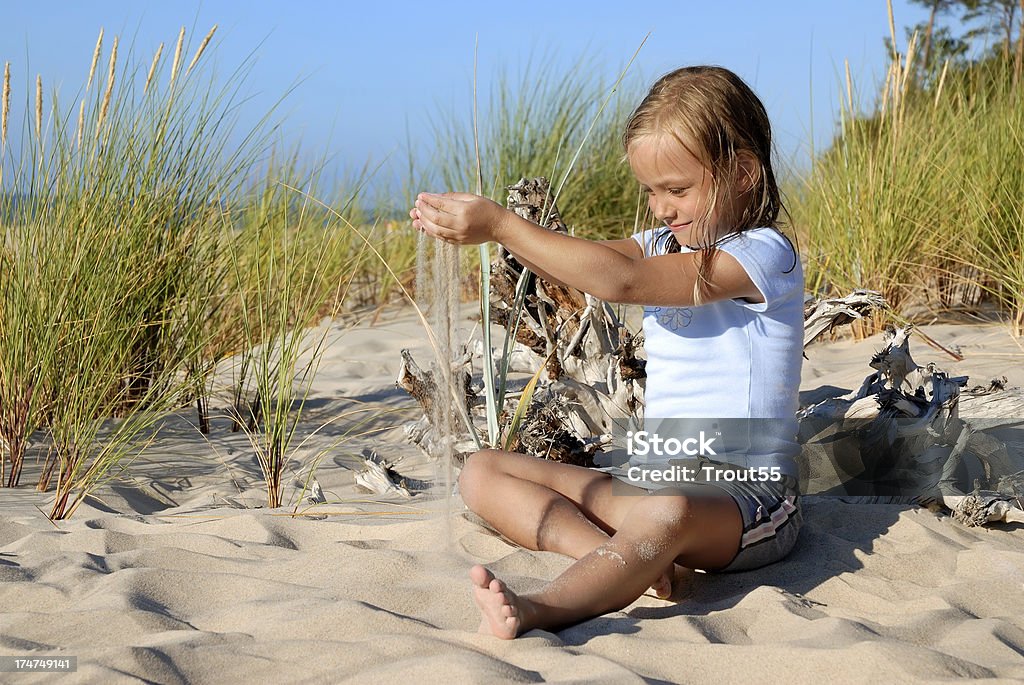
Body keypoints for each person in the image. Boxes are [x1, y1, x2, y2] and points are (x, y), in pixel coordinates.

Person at [410, 65, 803, 640]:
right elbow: (585, 264)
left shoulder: (762, 255)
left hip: (746, 497)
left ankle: (546, 607)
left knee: (666, 511)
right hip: (655, 477)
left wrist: (500, 222)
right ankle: (628, 561)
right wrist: (474, 229)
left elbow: (619, 281)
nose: (660, 208)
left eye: (676, 189)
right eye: (650, 191)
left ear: (743, 173)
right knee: (481, 470)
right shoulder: (660, 244)